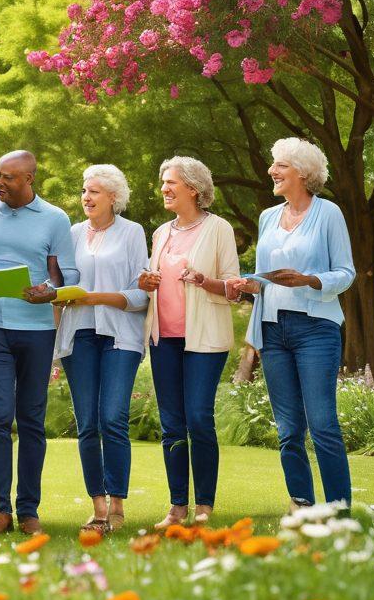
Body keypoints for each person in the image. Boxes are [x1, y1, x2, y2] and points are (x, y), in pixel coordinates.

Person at [226, 138, 355, 512]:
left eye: (280, 165)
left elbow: (345, 272)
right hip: (272, 329)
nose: (272, 171)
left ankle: (338, 510)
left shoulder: (328, 213)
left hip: (316, 328)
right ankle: (301, 507)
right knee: (288, 429)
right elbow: (266, 278)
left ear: (302, 172)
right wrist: (250, 283)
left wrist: (310, 280)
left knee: (323, 424)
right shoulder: (268, 217)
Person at [0, 150, 80, 537]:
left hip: (36, 329)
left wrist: (49, 291)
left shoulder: (55, 218)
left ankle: (28, 509)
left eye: (8, 178)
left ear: (29, 178)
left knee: (31, 419)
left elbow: (71, 272)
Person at [48, 165, 149, 535]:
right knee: (88, 424)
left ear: (113, 198)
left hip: (120, 336)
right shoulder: (72, 233)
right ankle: (99, 507)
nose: (86, 198)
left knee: (112, 418)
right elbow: (57, 284)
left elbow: (141, 294)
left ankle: (119, 502)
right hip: (79, 337)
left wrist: (94, 298)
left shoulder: (133, 232)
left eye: (94, 192)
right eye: (84, 191)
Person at [140, 156, 239, 529]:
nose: (164, 189)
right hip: (162, 337)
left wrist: (204, 280)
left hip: (204, 338)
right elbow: (155, 279)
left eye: (171, 183)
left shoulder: (219, 229)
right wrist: (146, 282)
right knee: (171, 423)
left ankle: (205, 506)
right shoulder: (161, 233)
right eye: (163, 182)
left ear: (193, 190)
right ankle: (177, 506)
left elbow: (233, 287)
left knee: (198, 417)